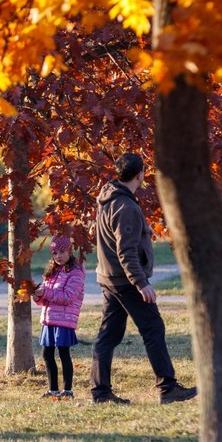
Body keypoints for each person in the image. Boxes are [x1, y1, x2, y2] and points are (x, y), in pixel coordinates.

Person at [91, 153, 198, 405]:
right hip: (125, 281)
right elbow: (125, 251)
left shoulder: (110, 198)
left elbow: (115, 235)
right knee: (153, 328)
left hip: (109, 277)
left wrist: (142, 231)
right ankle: (168, 388)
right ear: (140, 174)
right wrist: (141, 283)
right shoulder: (125, 206)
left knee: (109, 335)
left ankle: (101, 392)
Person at [33, 235, 85, 399]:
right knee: (47, 354)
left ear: (69, 251)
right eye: (55, 253)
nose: (58, 256)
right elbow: (45, 298)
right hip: (48, 320)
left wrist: (46, 293)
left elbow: (67, 296)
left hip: (64, 320)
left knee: (64, 353)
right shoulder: (52, 272)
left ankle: (68, 390)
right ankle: (53, 390)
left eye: (62, 252)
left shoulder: (76, 273)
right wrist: (37, 295)